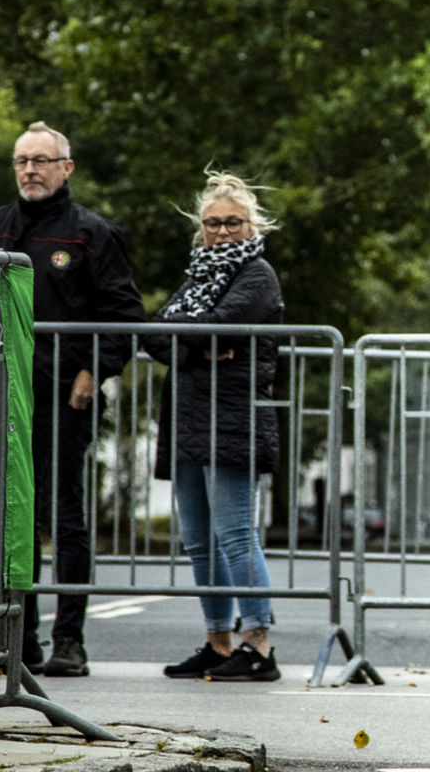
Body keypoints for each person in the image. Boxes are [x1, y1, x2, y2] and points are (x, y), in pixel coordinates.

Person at [0, 121, 145, 677]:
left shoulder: (92, 233)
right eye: (22, 161)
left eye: (42, 160)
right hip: (1, 397)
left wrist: (95, 368)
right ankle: (16, 640)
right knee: (6, 517)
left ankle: (69, 640)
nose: (30, 170)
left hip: (65, 396)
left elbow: (122, 314)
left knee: (64, 515)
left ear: (66, 168)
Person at [146, 171, 285, 683]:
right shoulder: (197, 275)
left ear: (251, 225)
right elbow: (155, 337)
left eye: (232, 222)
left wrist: (195, 339)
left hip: (233, 417)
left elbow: (217, 325)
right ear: (199, 228)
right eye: (212, 223)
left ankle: (259, 644)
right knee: (200, 540)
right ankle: (218, 642)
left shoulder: (257, 273)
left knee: (235, 536)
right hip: (186, 418)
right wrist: (200, 343)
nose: (222, 231)